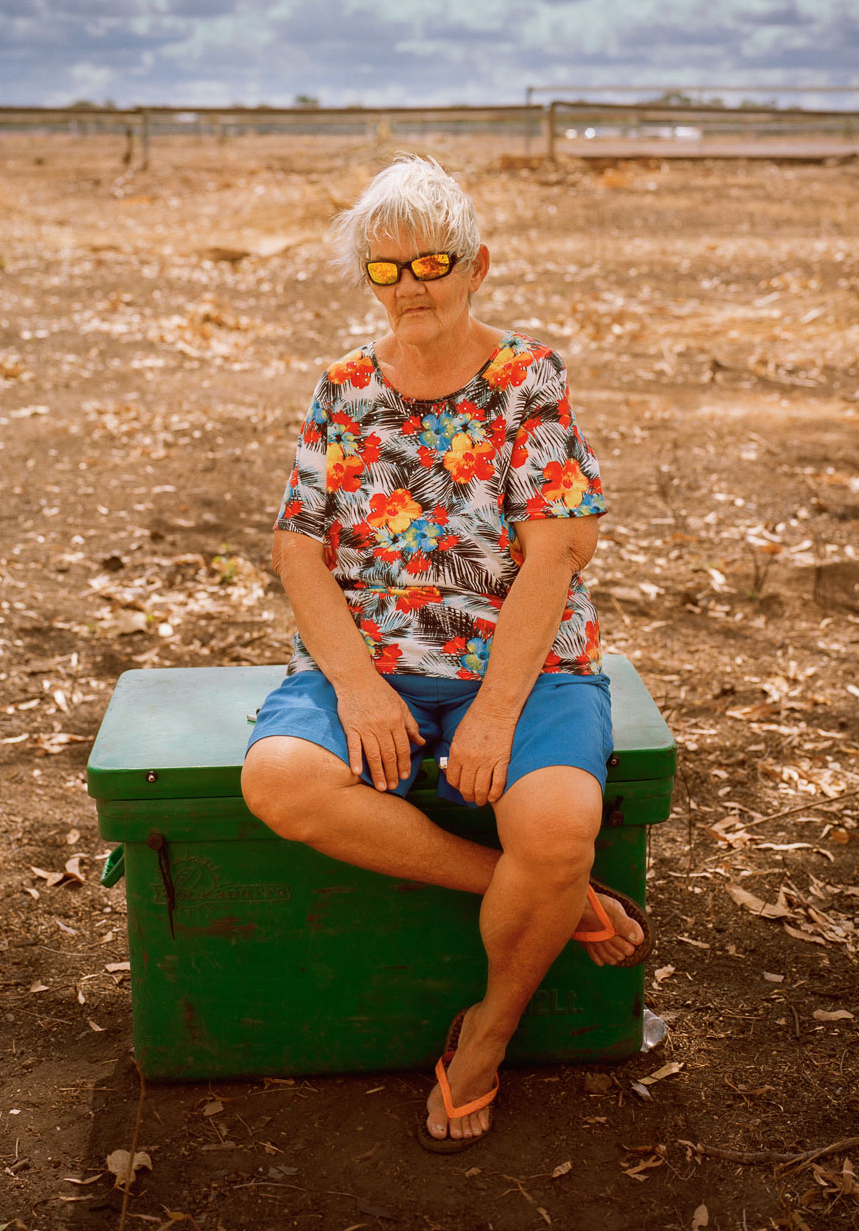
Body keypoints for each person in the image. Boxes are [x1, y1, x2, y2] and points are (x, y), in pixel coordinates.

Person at [240, 155, 650, 1151]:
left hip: (527, 666)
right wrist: (358, 686)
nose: (412, 285)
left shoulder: (528, 378)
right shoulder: (340, 387)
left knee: (555, 828)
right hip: (374, 661)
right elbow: (298, 542)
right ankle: (555, 898)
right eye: (387, 270)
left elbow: (557, 544)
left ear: (478, 265)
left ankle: (485, 1036)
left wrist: (499, 710)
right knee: (280, 782)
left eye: (434, 261)